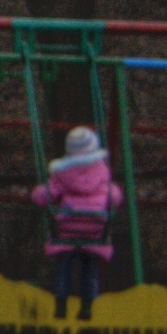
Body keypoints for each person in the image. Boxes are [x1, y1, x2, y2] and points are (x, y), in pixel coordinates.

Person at [30, 125, 123, 322]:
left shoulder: (63, 173)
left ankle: (61, 306)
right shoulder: (102, 172)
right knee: (90, 269)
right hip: (95, 228)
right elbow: (115, 197)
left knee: (63, 266)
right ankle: (87, 307)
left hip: (67, 228)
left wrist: (37, 193)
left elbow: (43, 197)